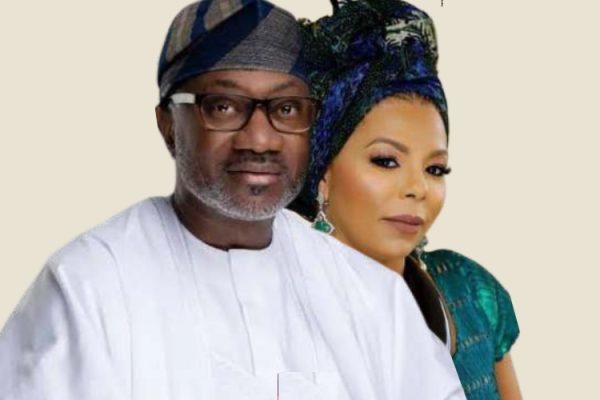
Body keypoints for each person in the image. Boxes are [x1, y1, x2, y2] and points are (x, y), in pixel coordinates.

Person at [0, 1, 466, 399]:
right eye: (223, 107)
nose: (259, 139)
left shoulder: (375, 301)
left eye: (286, 109)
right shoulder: (89, 285)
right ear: (168, 125)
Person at [289, 0, 521, 399]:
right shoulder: (281, 313)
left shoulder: (469, 289)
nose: (418, 188)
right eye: (386, 161)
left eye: (435, 169)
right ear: (322, 173)